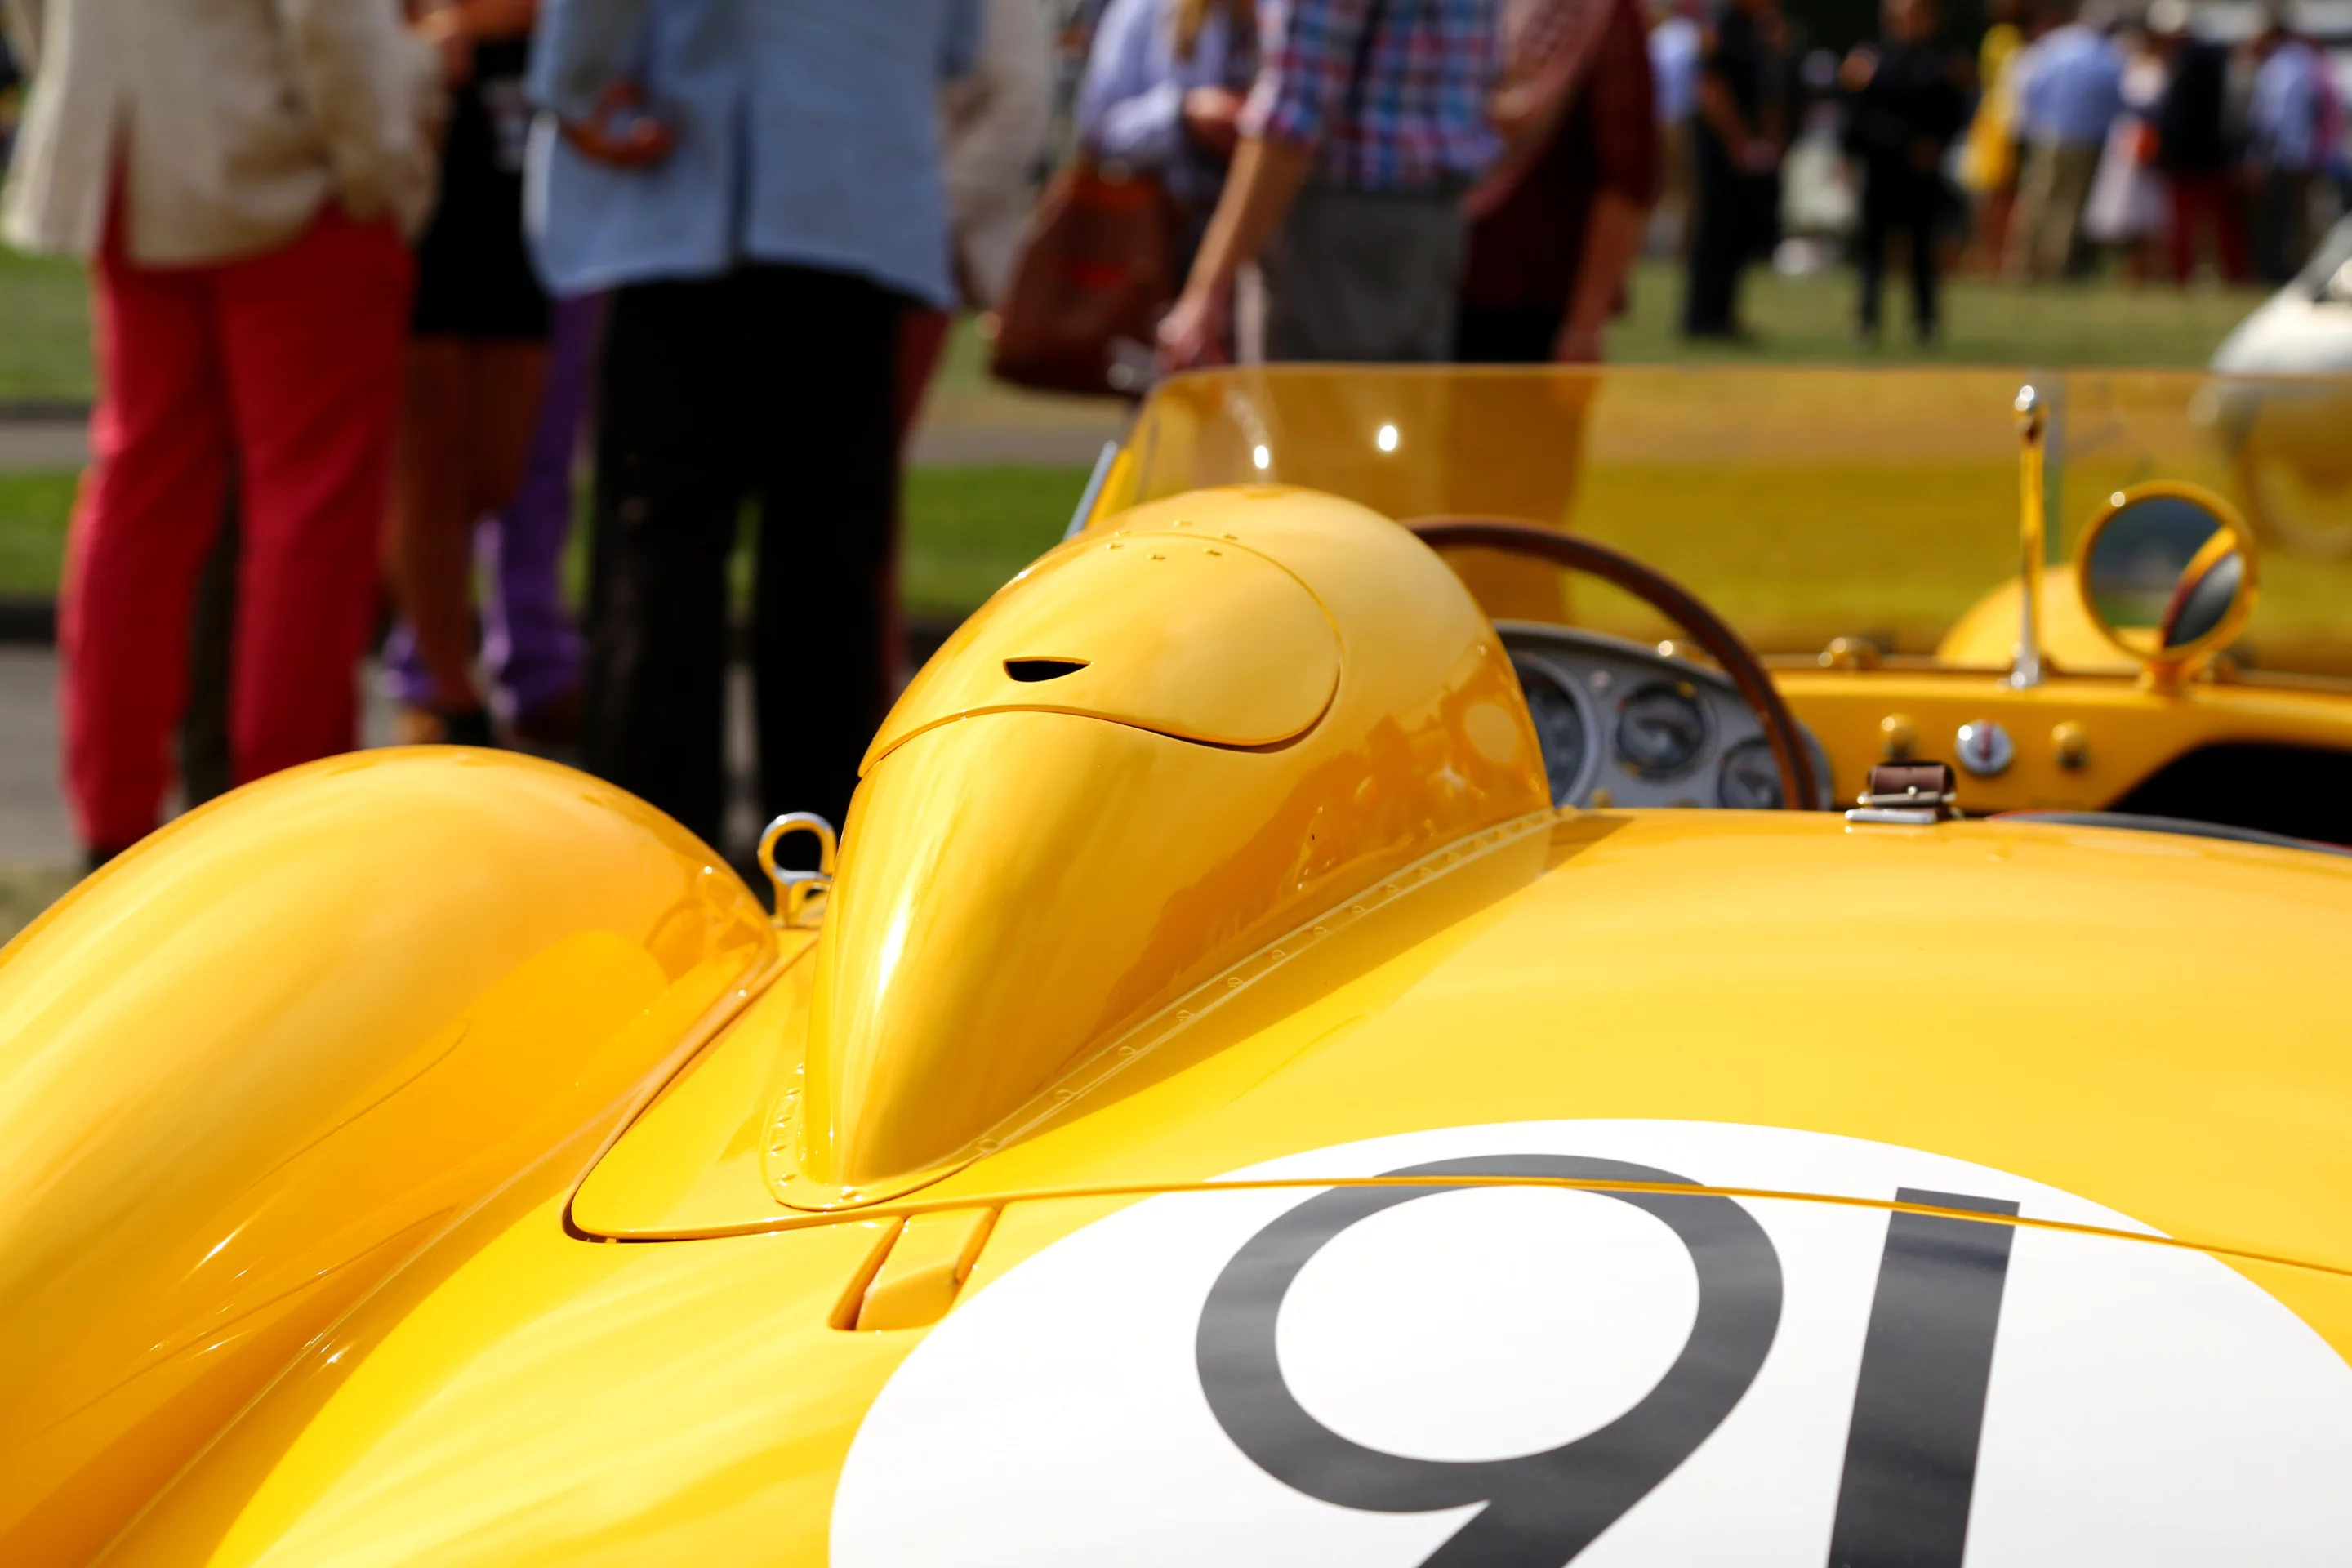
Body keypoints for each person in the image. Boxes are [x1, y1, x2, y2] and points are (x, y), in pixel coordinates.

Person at [528, 0, 979, 850]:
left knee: (661, 557)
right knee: (831, 567)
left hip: (707, 196)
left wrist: (571, 92)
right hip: (861, 211)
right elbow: (958, 44)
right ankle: (823, 867)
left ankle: (654, 863)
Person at [1, 0, 436, 866]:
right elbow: (331, 23)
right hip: (277, 159)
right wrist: (383, 159)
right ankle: (287, 819)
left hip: (130, 150)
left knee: (139, 497)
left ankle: (111, 813)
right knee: (309, 514)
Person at [1156, 0, 1507, 368]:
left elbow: (1291, 121)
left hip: (1338, 233)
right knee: (1400, 413)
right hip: (1431, 220)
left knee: (1305, 418)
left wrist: (1206, 290)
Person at [386, 0, 552, 747]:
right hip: (426, 178)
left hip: (523, 180)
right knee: (428, 460)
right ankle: (445, 689)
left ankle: (437, 647)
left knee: (495, 473)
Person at [1456, 0, 1662, 364]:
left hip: (1532, 299)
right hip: (1443, 283)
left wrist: (1584, 325)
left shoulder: (1604, 15)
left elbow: (1628, 180)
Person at [1078, 0, 1258, 284]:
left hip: (1269, 238)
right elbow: (1098, 131)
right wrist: (1183, 114)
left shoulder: (1291, 17)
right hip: (1168, 234)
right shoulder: (1146, 9)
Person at [1839, 0, 1966, 342]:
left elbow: (1955, 112)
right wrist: (1851, 155)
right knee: (1872, 249)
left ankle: (1926, 323)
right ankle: (1866, 321)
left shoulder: (1943, 60)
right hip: (1881, 166)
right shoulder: (1869, 58)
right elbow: (1853, 115)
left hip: (1921, 170)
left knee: (1924, 248)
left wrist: (1936, 144)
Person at [1683, 0, 1788, 339]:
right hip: (1723, 148)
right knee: (1717, 231)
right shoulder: (1721, 25)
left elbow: (1768, 88)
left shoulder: (1758, 27)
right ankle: (1703, 318)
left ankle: (1723, 315)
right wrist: (1738, 142)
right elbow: (1711, 88)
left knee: (1738, 235)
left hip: (1748, 148)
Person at [2003, 0, 2121, 282]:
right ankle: (2054, 268)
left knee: (2037, 200)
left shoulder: (2054, 46)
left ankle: (2022, 266)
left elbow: (2030, 88)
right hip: (2085, 141)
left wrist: (2029, 128)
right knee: (2068, 207)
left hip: (2047, 136)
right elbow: (2116, 99)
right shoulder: (2108, 54)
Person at [2148, 0, 2248, 284]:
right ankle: (2233, 274)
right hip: (2213, 154)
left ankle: (2185, 275)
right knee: (2222, 223)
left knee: (2187, 223)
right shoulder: (2216, 59)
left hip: (2189, 157)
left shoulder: (2187, 63)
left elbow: (2177, 116)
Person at [2246, 8, 2329, 283]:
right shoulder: (2291, 62)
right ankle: (2283, 270)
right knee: (2284, 216)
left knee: (2295, 216)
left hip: (2292, 152)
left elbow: (2276, 115)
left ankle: (2297, 271)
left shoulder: (2289, 63)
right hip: (2287, 151)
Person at [2081, 20, 2166, 280]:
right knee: (2119, 213)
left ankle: (2143, 269)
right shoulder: (2123, 69)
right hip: (2122, 145)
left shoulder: (2154, 69)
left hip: (2145, 146)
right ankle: (2123, 268)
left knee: (2144, 211)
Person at [1955, 0, 2024, 271]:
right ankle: (1991, 258)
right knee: (1997, 196)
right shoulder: (2005, 37)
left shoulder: (2000, 36)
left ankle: (1993, 257)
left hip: (1997, 120)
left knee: (1998, 196)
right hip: (2000, 123)